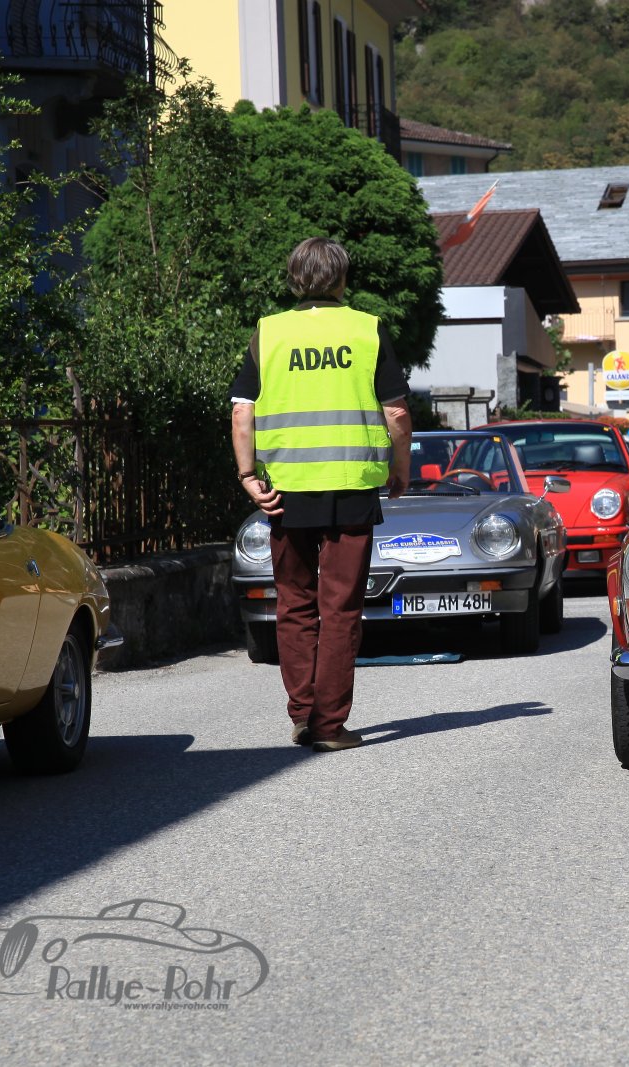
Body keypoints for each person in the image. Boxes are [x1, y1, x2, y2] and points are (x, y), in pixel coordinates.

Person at [230, 237, 412, 753]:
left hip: (285, 491)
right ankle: (329, 725)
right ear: (342, 279)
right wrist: (399, 469)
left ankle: (301, 714)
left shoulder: (269, 332)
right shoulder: (367, 329)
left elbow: (242, 411)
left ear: (294, 279)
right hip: (352, 488)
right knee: (341, 609)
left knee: (294, 605)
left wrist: (248, 475)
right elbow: (397, 413)